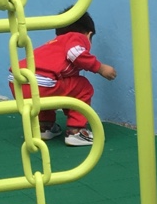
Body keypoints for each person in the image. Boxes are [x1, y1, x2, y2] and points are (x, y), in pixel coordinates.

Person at [12, 9, 115, 147]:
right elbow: (75, 54)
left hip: (17, 81)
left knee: (53, 90)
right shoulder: (76, 37)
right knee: (82, 87)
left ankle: (44, 127)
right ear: (89, 34)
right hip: (42, 82)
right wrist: (100, 68)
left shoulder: (54, 43)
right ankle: (76, 132)